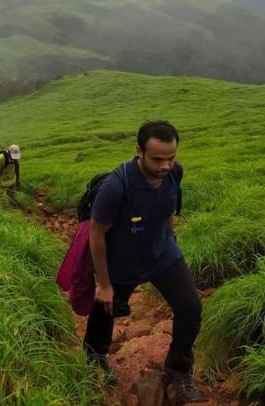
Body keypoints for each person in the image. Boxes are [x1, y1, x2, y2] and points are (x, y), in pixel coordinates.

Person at [85, 121, 202, 403]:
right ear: (139, 151)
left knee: (191, 308)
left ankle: (179, 368)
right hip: (123, 259)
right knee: (106, 308)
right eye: (158, 159)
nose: (165, 165)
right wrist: (103, 283)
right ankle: (94, 357)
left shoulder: (175, 173)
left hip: (162, 253)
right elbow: (96, 236)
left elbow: (168, 207)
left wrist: (170, 236)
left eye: (171, 157)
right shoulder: (116, 186)